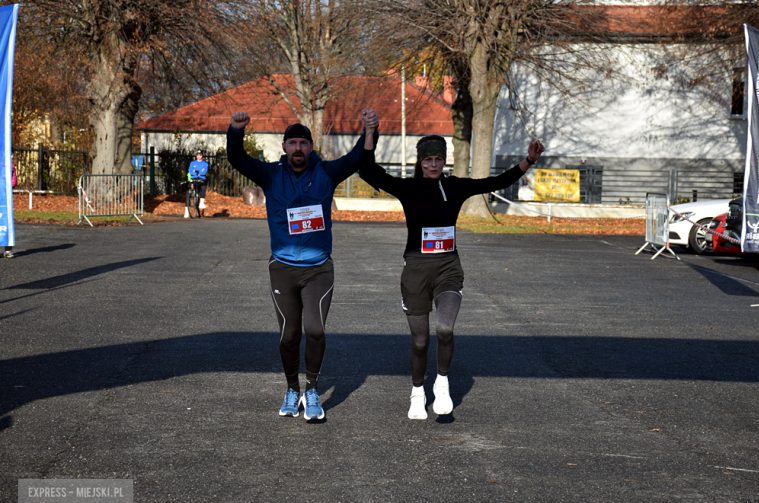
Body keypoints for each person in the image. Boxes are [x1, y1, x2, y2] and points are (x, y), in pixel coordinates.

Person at [359, 115, 544, 420]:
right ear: (420, 162)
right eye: (428, 159)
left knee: (445, 329)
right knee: (420, 341)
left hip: (448, 267)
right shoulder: (408, 189)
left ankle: (441, 384)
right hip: (416, 270)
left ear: (444, 161)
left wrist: (529, 161)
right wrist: (369, 132)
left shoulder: (455, 187)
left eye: (438, 159)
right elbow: (368, 170)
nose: (433, 165)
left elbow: (495, 182)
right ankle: (417, 393)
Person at [227, 110, 379, 421]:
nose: (298, 148)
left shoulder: (326, 173)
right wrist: (235, 130)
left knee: (316, 330)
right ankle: (291, 388)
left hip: (318, 269)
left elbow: (357, 159)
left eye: (303, 143)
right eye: (292, 143)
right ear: (284, 147)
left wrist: (369, 130)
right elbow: (238, 159)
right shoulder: (270, 175)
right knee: (289, 335)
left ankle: (311, 389)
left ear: (311, 147)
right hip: (282, 268)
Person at [185, 150, 208, 217]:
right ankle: (186, 210)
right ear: (196, 156)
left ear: (202, 156)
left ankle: (201, 202)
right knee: (188, 192)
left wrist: (196, 171)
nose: (199, 156)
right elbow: (190, 171)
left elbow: (204, 172)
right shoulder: (192, 163)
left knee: (203, 187)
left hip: (201, 179)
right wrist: (198, 172)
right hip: (193, 179)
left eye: (200, 155)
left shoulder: (205, 164)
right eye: (198, 155)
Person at [4, 160, 16, 259]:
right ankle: (8, 250)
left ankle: (8, 249)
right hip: (5, 193)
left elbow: (13, 180)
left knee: (5, 221)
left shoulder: (8, 162)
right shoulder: (8, 161)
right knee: (5, 221)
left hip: (4, 193)